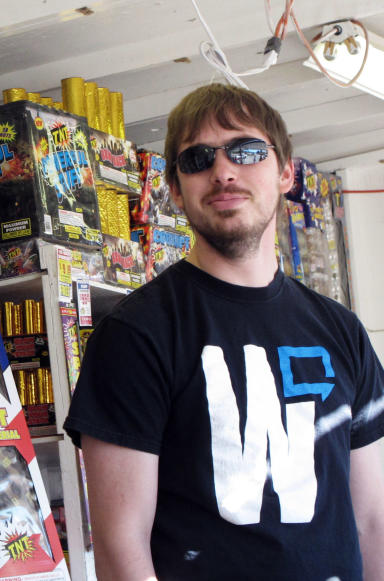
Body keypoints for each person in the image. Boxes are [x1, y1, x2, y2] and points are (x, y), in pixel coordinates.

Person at [63, 83, 384, 580]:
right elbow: (121, 545)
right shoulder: (134, 334)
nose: (223, 170)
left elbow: (372, 522)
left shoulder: (341, 330)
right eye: (197, 159)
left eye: (246, 150)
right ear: (174, 188)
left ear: (285, 172)